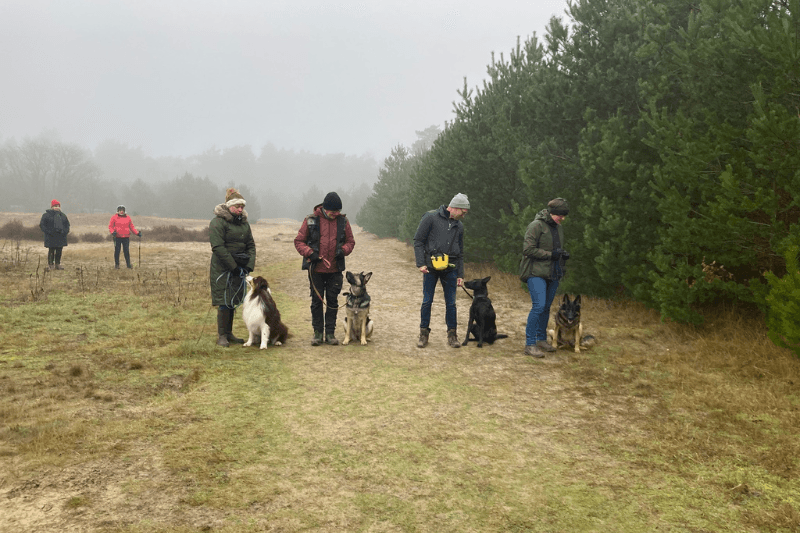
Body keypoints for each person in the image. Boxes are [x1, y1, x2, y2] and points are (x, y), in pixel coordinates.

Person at [294, 191, 355, 346]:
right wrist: (310, 253)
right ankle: (317, 333)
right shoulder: (310, 220)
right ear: (325, 208)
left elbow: (350, 242)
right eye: (333, 211)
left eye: (338, 211)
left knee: (332, 301)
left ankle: (330, 333)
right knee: (316, 302)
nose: (336, 214)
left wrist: (343, 251)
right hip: (316, 270)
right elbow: (299, 241)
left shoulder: (343, 221)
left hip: (335, 270)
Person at [413, 193, 469, 349]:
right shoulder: (430, 217)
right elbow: (418, 241)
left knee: (451, 303)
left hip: (450, 269)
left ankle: (452, 335)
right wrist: (421, 263)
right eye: (463, 212)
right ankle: (423, 334)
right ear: (455, 208)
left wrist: (460, 274)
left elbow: (460, 252)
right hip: (430, 269)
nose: (463, 216)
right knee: (427, 301)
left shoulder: (459, 226)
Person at [519, 198, 570, 358]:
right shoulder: (536, 226)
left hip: (553, 273)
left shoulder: (558, 228)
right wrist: (550, 255)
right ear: (552, 212)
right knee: (538, 306)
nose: (562, 218)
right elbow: (528, 249)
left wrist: (561, 255)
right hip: (535, 273)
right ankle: (530, 344)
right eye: (560, 215)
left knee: (546, 307)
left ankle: (541, 339)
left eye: (564, 215)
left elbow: (555, 249)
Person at [209, 188, 256, 347]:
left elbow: (251, 245)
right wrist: (233, 266)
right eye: (237, 206)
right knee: (224, 301)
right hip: (222, 269)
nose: (240, 209)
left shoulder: (244, 224)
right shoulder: (217, 222)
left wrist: (248, 266)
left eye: (242, 206)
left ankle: (229, 333)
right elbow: (218, 247)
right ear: (229, 206)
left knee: (233, 299)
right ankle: (222, 336)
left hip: (239, 268)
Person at [39, 199, 70, 271]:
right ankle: (51, 265)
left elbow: (67, 225)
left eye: (58, 206)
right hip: (51, 237)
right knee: (51, 251)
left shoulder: (63, 215)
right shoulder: (46, 215)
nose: (57, 207)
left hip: (61, 237)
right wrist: (48, 232)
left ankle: (57, 264)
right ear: (52, 207)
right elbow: (42, 225)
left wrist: (65, 232)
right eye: (55, 206)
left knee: (59, 251)